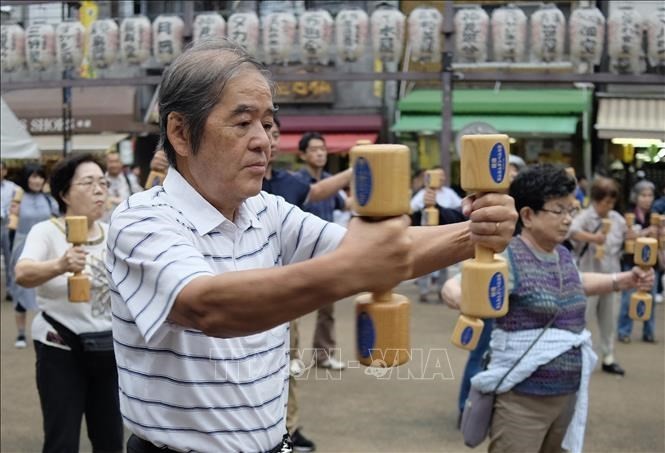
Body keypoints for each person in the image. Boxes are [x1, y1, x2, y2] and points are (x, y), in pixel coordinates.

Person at [107, 37, 517, 453]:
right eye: (242, 122)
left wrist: (474, 233)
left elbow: (384, 252)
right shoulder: (140, 220)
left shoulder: (266, 210)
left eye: (268, 124)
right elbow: (207, 305)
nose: (264, 141)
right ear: (180, 132)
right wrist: (355, 268)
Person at [442, 164, 653, 453]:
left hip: (566, 397)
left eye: (572, 210)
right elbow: (454, 285)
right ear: (528, 215)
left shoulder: (562, 255)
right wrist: (468, 301)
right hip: (522, 403)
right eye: (559, 210)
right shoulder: (509, 257)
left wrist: (622, 280)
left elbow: (577, 282)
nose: (568, 220)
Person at [14, 154, 123, 453]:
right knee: (62, 439)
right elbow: (22, 273)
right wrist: (60, 265)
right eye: (88, 183)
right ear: (64, 194)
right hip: (60, 346)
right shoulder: (46, 232)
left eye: (103, 182)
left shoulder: (113, 234)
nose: (99, 190)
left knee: (111, 438)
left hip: (108, 348)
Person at [264, 118, 351, 452]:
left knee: (289, 363)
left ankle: (289, 429)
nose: (265, 140)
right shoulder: (233, 184)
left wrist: (358, 168)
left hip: (287, 291)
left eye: (272, 133)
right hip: (243, 292)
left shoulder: (288, 183)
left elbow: (320, 192)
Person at [449, 154, 527, 424]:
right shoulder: (478, 205)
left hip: (513, 289)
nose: (511, 176)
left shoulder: (527, 206)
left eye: (516, 172)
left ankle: (494, 409)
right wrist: (458, 290)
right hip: (486, 284)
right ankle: (465, 409)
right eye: (509, 170)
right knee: (479, 353)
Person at [296, 131, 348, 371]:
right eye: (314, 149)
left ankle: (324, 354)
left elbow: (347, 205)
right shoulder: (296, 182)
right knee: (290, 308)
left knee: (327, 309)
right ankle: (290, 357)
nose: (320, 153)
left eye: (323, 149)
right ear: (303, 155)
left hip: (327, 253)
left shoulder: (331, 181)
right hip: (299, 253)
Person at [568, 176, 626, 375]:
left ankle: (608, 357)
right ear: (596, 200)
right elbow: (571, 230)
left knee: (610, 319)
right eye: (605, 201)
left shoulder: (617, 219)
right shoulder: (585, 216)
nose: (608, 205)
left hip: (612, 276)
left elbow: (627, 239)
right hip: (588, 276)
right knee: (583, 317)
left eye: (612, 202)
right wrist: (593, 238)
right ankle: (577, 355)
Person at [10, 163, 59, 348]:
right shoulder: (17, 198)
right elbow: (9, 222)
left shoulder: (49, 200)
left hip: (45, 250)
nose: (37, 180)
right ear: (26, 178)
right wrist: (9, 214)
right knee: (21, 290)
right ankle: (21, 334)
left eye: (40, 176)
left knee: (47, 288)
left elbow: (58, 217)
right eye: (33, 176)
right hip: (22, 248)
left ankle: (49, 330)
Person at [410, 166, 463, 303]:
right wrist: (425, 207)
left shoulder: (449, 193)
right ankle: (424, 291)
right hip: (426, 232)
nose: (441, 178)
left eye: (442, 176)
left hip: (445, 231)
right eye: (438, 176)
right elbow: (411, 207)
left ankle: (441, 290)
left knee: (444, 262)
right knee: (425, 262)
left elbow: (460, 207)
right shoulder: (424, 193)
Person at [617, 179, 659, 343]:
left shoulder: (654, 215)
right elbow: (629, 235)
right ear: (636, 197)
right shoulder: (629, 215)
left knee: (651, 299)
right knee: (628, 299)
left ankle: (649, 332)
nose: (647, 199)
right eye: (643, 195)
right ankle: (624, 331)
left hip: (651, 263)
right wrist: (648, 231)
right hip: (631, 262)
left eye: (650, 195)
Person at [104, 150, 142, 221]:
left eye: (116, 161)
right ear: (106, 163)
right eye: (111, 162)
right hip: (106, 223)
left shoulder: (130, 180)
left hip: (127, 222)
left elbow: (140, 198)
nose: (114, 165)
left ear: (121, 163)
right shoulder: (100, 181)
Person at [1, 161, 18, 301]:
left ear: (5, 171)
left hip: (6, 226)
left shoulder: (11, 187)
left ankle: (10, 290)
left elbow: (21, 196)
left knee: (9, 259)